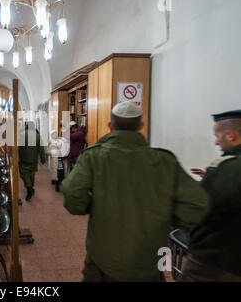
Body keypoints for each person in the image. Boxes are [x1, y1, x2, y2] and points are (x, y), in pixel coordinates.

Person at [61, 101, 210, 282]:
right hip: (149, 260)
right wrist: (164, 216)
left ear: (110, 126)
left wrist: (92, 207)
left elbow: (72, 194)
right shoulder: (165, 161)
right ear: (141, 126)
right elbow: (198, 205)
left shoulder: (94, 156)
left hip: (103, 258)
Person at [179, 110, 241, 282]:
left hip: (216, 260)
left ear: (230, 136)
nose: (216, 142)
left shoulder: (226, 168)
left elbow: (203, 211)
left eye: (218, 136)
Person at [18, 122, 46, 201]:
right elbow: (41, 148)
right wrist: (43, 159)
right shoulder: (37, 136)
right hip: (34, 159)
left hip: (24, 159)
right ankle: (31, 187)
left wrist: (17, 158)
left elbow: (18, 147)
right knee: (31, 173)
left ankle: (29, 187)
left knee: (24, 174)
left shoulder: (22, 135)